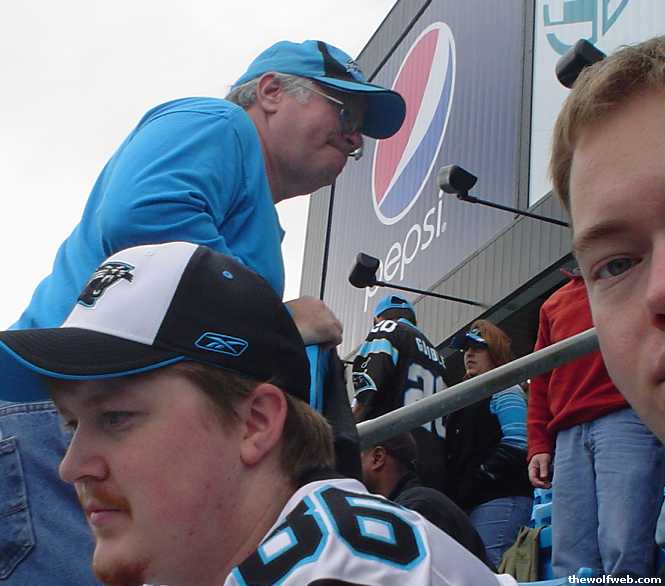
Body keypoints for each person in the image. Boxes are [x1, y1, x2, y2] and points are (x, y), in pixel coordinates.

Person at [0, 39, 406, 584]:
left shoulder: (258, 214)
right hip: (62, 412)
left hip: (92, 418)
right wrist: (277, 324)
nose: (354, 138)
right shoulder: (219, 124)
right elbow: (143, 215)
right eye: (344, 112)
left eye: (359, 132)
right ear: (270, 92)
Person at [0, 242, 518, 586]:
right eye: (72, 424)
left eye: (114, 417)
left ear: (255, 424)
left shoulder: (342, 573)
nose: (70, 466)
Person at [527, 270, 664, 577]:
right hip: (568, 434)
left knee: (624, 546)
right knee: (571, 557)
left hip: (626, 416)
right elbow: (540, 378)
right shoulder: (553, 303)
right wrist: (538, 444)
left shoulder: (639, 277)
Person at [444, 320, 532, 568]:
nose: (469, 354)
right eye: (466, 349)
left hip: (500, 497)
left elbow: (518, 443)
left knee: (487, 570)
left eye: (478, 348)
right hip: (472, 501)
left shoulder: (505, 389)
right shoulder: (461, 399)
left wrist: (479, 475)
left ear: (495, 351)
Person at [352, 295, 449, 492]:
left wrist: (346, 432)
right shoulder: (439, 358)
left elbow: (368, 388)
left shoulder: (386, 329)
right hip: (433, 465)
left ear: (378, 319)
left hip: (391, 460)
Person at [360, 432, 494, 570]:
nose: (348, 466)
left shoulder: (419, 508)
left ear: (378, 458)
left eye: (354, 456)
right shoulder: (415, 503)